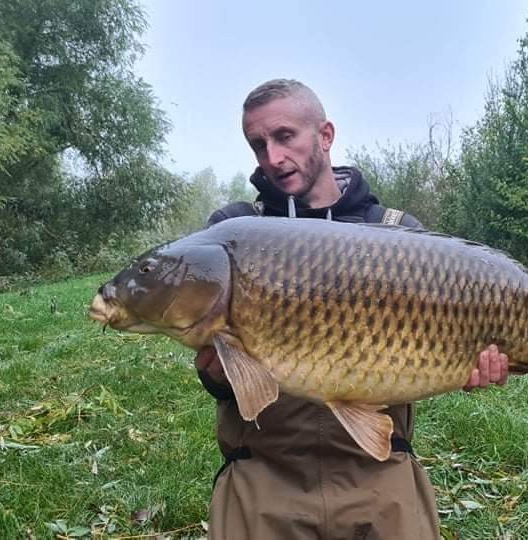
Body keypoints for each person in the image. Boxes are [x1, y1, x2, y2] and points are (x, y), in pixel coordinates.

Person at [194, 79, 509, 539]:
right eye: (258, 144)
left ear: (325, 136)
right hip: (266, 473)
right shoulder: (235, 232)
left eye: (285, 137)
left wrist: (473, 364)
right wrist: (216, 373)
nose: (272, 158)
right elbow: (213, 377)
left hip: (380, 471)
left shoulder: (398, 234)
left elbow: (443, 345)